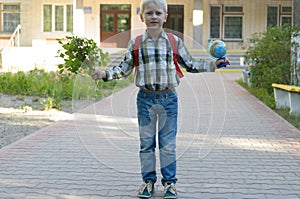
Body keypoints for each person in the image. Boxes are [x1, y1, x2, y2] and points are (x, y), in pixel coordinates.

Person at [92, 0, 228, 198]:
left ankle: (170, 184)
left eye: (158, 13)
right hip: (145, 100)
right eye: (149, 13)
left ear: (165, 16)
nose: (153, 17)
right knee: (146, 144)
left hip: (168, 100)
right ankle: (148, 182)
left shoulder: (174, 42)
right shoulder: (136, 42)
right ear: (142, 17)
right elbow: (123, 69)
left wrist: (214, 65)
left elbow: (190, 64)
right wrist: (104, 74)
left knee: (168, 144)